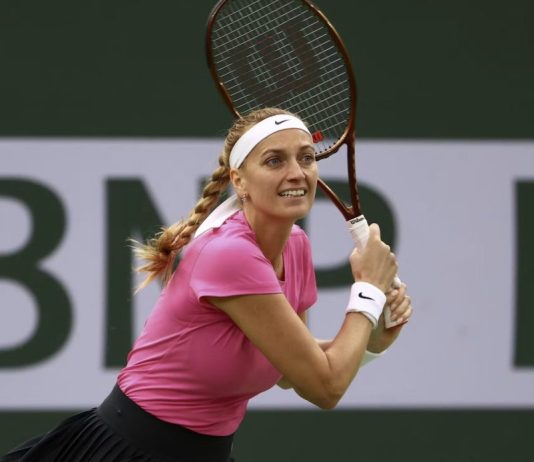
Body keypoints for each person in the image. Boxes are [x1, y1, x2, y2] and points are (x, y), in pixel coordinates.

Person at [1, 107, 413, 462]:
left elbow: (293, 372)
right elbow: (325, 387)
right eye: (274, 161)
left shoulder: (296, 246)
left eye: (306, 157)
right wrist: (368, 291)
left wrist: (371, 342)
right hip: (129, 451)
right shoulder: (229, 254)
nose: (296, 172)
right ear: (239, 181)